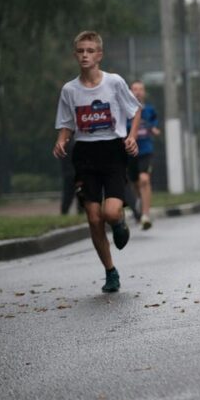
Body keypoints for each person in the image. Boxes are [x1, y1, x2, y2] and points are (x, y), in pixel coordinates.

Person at [52, 31, 140, 293]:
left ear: (99, 55)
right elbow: (67, 123)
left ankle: (119, 222)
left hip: (112, 152)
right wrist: (61, 140)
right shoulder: (70, 90)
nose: (85, 55)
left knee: (110, 213)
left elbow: (135, 111)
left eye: (90, 50)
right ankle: (110, 272)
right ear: (75, 55)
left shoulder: (113, 83)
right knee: (93, 218)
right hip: (85, 155)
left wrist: (132, 137)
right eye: (81, 51)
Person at [126, 80, 160, 229]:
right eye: (135, 89)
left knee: (144, 179)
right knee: (135, 182)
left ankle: (145, 215)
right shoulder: (125, 110)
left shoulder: (150, 110)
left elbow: (155, 124)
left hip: (146, 150)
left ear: (144, 93)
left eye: (140, 89)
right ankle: (139, 199)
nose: (138, 92)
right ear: (129, 92)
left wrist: (154, 129)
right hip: (130, 151)